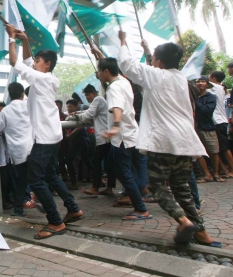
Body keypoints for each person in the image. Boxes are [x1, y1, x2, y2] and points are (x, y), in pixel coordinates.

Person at [117, 32, 221, 247]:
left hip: (164, 140)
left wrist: (123, 41)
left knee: (156, 186)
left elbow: (127, 64)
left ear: (159, 61)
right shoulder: (181, 78)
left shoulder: (157, 76)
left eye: (154, 57)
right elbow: (146, 67)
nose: (152, 61)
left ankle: (183, 221)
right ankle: (201, 233)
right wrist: (147, 50)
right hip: (185, 141)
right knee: (182, 187)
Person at [6, 24, 82, 239]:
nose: (35, 63)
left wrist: (12, 38)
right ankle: (73, 207)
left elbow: (15, 62)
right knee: (49, 174)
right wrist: (25, 41)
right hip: (52, 135)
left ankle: (55, 222)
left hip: (44, 137)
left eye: (39, 61)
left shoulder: (40, 78)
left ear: (47, 64)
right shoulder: (46, 77)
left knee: (36, 179)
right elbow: (27, 61)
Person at [98, 56, 150, 221]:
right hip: (133, 134)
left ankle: (141, 208)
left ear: (106, 71)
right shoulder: (124, 81)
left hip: (121, 138)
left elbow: (117, 107)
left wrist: (115, 126)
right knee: (125, 167)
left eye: (99, 71)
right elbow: (111, 67)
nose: (97, 74)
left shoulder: (113, 88)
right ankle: (144, 190)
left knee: (124, 173)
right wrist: (98, 53)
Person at [0, 82, 33, 217]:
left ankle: (19, 209)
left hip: (17, 153)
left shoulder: (6, 111)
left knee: (22, 180)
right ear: (23, 93)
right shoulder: (30, 106)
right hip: (33, 148)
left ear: (10, 95)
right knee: (38, 179)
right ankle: (52, 208)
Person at [72, 84, 115, 196]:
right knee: (108, 163)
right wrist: (79, 114)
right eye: (85, 96)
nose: (87, 98)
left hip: (103, 137)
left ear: (94, 93)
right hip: (106, 136)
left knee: (96, 162)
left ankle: (95, 187)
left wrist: (77, 116)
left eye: (88, 95)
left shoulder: (98, 99)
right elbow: (90, 113)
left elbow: (88, 115)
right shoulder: (100, 101)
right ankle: (108, 187)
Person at [194, 76, 224, 182]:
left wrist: (196, 101)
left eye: (203, 81)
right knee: (198, 152)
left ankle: (216, 173)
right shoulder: (192, 96)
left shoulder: (211, 97)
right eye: (198, 82)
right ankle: (207, 174)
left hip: (207, 127)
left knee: (213, 151)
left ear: (207, 84)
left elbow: (206, 110)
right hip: (194, 128)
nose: (200, 83)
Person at [209, 71, 233, 178]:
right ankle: (223, 169)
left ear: (214, 78)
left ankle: (232, 169)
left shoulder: (217, 88)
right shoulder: (217, 88)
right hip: (217, 121)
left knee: (224, 148)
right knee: (217, 148)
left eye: (209, 77)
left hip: (219, 121)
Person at [63, 99, 89, 189]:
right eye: (67, 106)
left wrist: (70, 135)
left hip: (80, 139)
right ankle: (99, 181)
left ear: (76, 106)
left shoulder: (78, 114)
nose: (69, 108)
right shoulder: (71, 116)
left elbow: (80, 127)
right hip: (81, 139)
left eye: (70, 106)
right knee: (87, 160)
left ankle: (74, 182)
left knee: (69, 159)